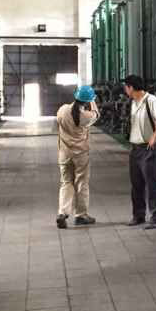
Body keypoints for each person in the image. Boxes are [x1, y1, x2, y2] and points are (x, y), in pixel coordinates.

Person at [123, 74, 156, 229]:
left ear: (131, 87)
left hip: (148, 149)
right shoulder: (133, 103)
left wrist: (155, 136)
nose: (125, 90)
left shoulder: (151, 100)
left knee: (151, 184)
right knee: (136, 185)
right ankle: (138, 215)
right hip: (135, 149)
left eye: (126, 87)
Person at [55, 85, 99, 229]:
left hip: (64, 154)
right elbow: (96, 114)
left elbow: (58, 121)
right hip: (80, 155)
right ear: (87, 101)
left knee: (66, 183)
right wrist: (92, 101)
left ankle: (62, 212)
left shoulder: (62, 110)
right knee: (81, 183)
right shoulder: (86, 116)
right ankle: (81, 215)